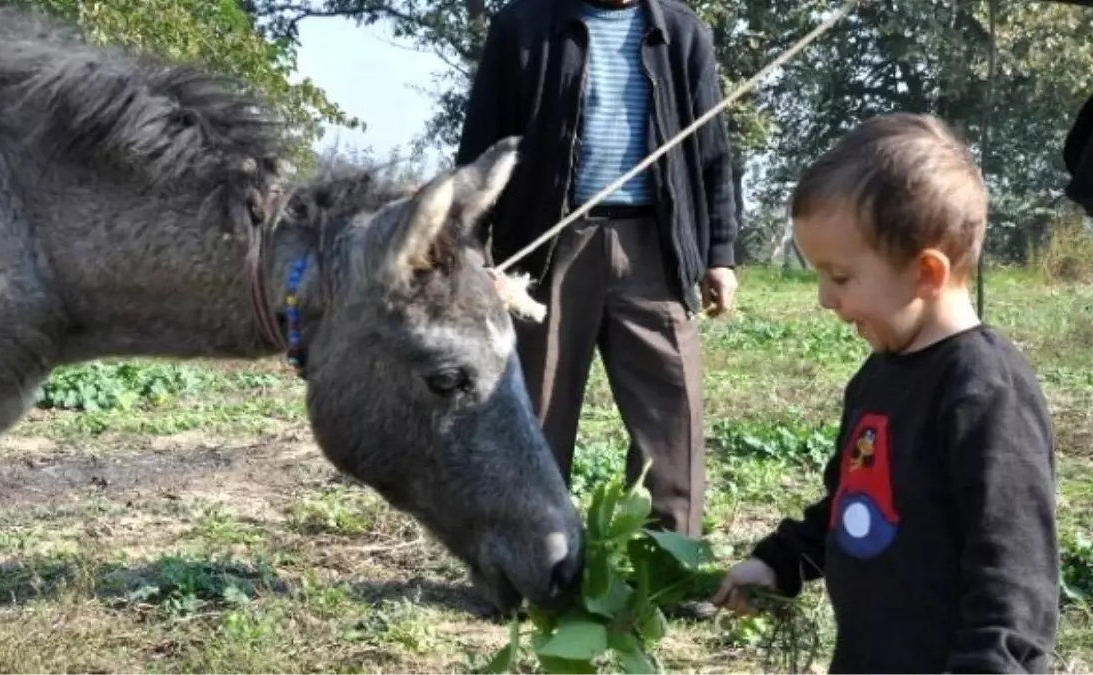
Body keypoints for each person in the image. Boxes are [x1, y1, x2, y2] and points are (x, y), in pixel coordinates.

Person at [711, 112, 1060, 674]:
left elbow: (1014, 573)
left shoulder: (986, 392)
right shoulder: (878, 377)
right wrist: (780, 563)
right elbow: (853, 507)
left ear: (926, 272)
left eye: (840, 276)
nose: (825, 298)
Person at [454, 0, 739, 540]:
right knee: (534, 414)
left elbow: (712, 153)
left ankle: (670, 561)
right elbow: (481, 148)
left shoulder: (681, 33)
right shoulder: (522, 26)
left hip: (654, 245)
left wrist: (720, 254)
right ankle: (532, 566)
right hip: (548, 248)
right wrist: (469, 250)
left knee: (672, 412)